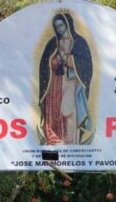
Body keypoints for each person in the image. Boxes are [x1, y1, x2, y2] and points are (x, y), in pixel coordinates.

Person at [38, 12, 93, 145]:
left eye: (61, 25)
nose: (59, 29)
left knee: (68, 111)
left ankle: (71, 140)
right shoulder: (53, 43)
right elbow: (45, 63)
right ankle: (55, 138)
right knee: (54, 109)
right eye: (57, 27)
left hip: (71, 81)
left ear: (68, 24)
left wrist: (69, 60)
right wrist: (56, 59)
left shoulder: (79, 42)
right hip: (55, 82)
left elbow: (86, 64)